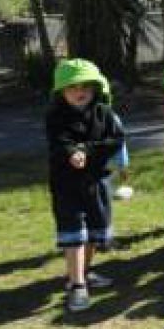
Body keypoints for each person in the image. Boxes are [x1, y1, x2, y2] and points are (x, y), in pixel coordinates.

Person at [46, 59, 125, 312]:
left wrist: (86, 151)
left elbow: (115, 141)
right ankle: (77, 284)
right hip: (67, 185)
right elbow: (61, 142)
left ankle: (85, 271)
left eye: (86, 86)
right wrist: (72, 152)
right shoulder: (56, 116)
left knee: (93, 230)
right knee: (74, 231)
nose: (80, 92)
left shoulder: (104, 113)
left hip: (96, 182)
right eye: (73, 87)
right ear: (61, 91)